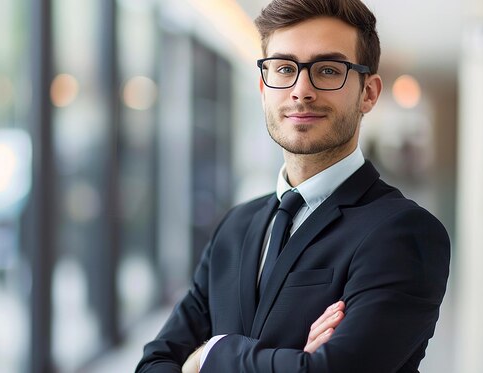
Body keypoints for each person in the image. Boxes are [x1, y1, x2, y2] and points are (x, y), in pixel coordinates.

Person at [136, 0, 450, 371]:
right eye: (285, 69)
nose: (301, 90)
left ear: (369, 93)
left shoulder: (404, 233)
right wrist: (290, 361)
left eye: (328, 70)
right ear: (263, 87)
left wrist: (208, 355)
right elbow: (154, 363)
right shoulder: (235, 226)